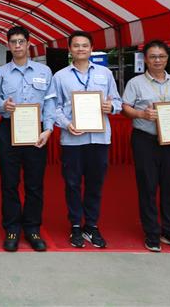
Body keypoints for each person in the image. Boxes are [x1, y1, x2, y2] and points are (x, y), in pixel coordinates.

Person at [121, 40, 170, 253]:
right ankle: (152, 233)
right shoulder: (135, 83)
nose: (157, 60)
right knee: (148, 186)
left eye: (161, 56)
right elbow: (125, 108)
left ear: (167, 58)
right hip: (145, 139)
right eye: (153, 56)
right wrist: (141, 114)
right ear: (145, 59)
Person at [0, 26, 56, 252]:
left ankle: (32, 228)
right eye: (13, 42)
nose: (17, 45)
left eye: (21, 41)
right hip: (9, 129)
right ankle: (12, 228)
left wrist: (48, 129)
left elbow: (50, 103)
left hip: (36, 131)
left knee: (35, 183)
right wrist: (2, 105)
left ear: (28, 44)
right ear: (9, 45)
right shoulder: (0, 73)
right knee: (9, 182)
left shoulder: (44, 71)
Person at [52, 30, 121, 249]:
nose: (81, 49)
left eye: (85, 45)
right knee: (72, 184)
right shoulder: (60, 76)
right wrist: (66, 124)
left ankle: (91, 225)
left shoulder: (105, 74)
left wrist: (112, 107)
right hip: (72, 139)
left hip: (99, 139)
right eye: (76, 45)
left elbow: (117, 101)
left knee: (95, 184)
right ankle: (75, 225)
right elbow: (53, 108)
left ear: (91, 49)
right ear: (70, 49)